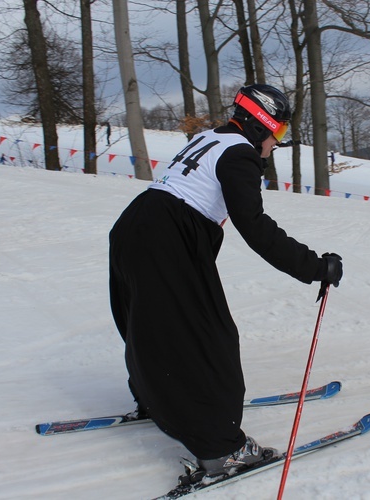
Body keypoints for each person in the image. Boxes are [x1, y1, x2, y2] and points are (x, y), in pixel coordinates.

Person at [108, 84, 343, 479]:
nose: (275, 144)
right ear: (260, 125)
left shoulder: (211, 136)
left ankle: (157, 399)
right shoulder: (241, 155)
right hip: (169, 237)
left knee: (151, 325)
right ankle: (223, 450)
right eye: (278, 133)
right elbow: (256, 228)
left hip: (134, 225)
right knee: (210, 338)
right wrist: (315, 267)